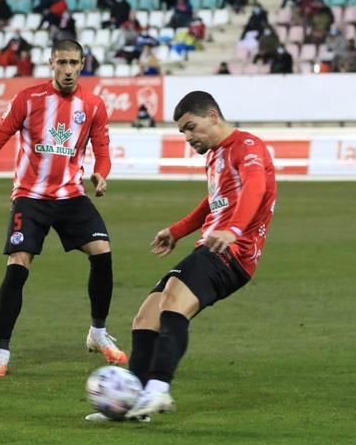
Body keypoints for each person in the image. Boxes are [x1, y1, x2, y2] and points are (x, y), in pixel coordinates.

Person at [0, 39, 128, 377]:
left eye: (74, 63)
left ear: (83, 64)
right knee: (18, 263)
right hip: (30, 196)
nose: (68, 69)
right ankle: (1, 351)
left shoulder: (93, 105)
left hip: (70, 196)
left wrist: (102, 174)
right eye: (62, 62)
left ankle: (97, 333)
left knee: (102, 251)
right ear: (51, 62)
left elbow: (103, 150)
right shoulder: (28, 99)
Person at [86, 91, 277, 422]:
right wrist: (176, 231)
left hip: (234, 252)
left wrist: (234, 230)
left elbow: (255, 188)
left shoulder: (247, 147)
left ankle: (158, 390)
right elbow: (212, 202)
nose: (189, 137)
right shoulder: (215, 156)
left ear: (213, 116)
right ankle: (135, 405)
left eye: (192, 127)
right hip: (211, 247)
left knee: (173, 302)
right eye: (183, 132)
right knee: (145, 317)